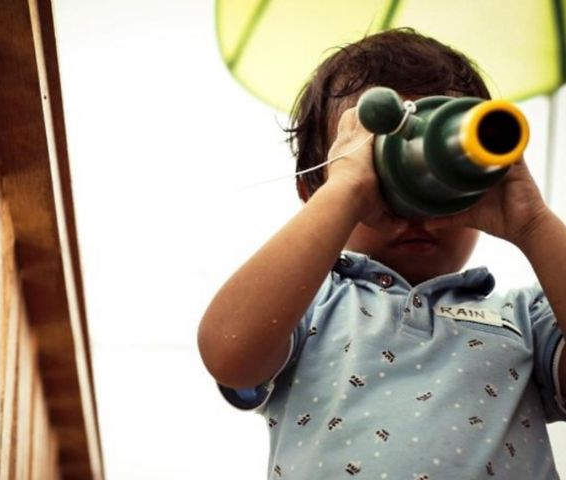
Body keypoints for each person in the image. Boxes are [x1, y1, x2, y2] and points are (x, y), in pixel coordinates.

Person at [197, 28, 566, 479]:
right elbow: (229, 352)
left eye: (438, 174)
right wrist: (349, 189)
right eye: (380, 170)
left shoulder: (526, 319)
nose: (413, 207)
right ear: (314, 192)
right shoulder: (309, 305)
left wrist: (532, 223)